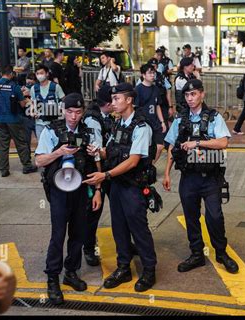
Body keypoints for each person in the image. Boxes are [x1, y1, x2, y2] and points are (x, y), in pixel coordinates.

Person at [82, 83, 158, 293]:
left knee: (138, 229)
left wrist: (105, 174)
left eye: (116, 99)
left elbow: (133, 161)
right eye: (112, 99)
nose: (112, 103)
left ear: (129, 100)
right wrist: (98, 151)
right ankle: (124, 267)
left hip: (133, 186)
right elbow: (112, 152)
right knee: (119, 228)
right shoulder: (118, 124)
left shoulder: (142, 127)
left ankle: (149, 270)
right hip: (117, 186)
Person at [163, 79, 239, 274]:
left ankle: (221, 253)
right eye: (187, 95)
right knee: (191, 217)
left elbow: (223, 143)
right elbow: (172, 145)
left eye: (194, 94)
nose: (190, 98)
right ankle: (196, 254)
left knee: (214, 216)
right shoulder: (180, 119)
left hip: (210, 178)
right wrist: (167, 173)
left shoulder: (213, 117)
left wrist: (197, 144)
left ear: (202, 94)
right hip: (188, 177)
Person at [35, 93, 102, 304]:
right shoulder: (51, 131)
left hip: (81, 188)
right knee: (58, 235)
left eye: (78, 112)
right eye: (70, 112)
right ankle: (52, 278)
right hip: (59, 190)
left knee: (79, 233)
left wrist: (98, 189)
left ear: (83, 113)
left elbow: (97, 161)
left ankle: (71, 272)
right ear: (63, 110)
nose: (73, 117)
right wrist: (59, 152)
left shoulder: (88, 131)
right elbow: (39, 161)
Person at [83, 86, 117, 266]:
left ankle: (125, 243)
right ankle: (88, 248)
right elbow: (95, 151)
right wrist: (99, 180)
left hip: (110, 170)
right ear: (109, 103)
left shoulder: (107, 118)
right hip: (97, 172)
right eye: (115, 99)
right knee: (94, 211)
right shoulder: (93, 120)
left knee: (120, 209)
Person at [0, 65, 38, 177]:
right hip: (13, 119)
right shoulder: (14, 86)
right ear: (11, 74)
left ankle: (3, 170)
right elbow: (22, 104)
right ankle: (27, 166)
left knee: (3, 145)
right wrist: (23, 98)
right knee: (21, 143)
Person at [135, 63, 167, 163]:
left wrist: (162, 122)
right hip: (144, 122)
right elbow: (135, 107)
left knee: (160, 146)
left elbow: (157, 105)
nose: (152, 75)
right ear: (143, 75)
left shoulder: (156, 89)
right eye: (149, 73)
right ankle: (145, 167)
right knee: (146, 147)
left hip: (155, 122)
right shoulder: (138, 89)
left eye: (153, 73)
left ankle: (151, 165)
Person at [30, 64, 65, 139]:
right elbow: (33, 103)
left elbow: (64, 101)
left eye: (41, 73)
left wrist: (60, 111)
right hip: (39, 123)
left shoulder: (55, 87)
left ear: (47, 74)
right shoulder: (34, 88)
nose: (39, 75)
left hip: (54, 123)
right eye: (37, 73)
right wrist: (32, 112)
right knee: (41, 146)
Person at [21, 73, 37, 154]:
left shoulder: (38, 89)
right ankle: (27, 162)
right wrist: (21, 94)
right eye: (28, 79)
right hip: (26, 118)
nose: (29, 82)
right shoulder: (23, 90)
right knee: (25, 142)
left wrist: (30, 95)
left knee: (41, 139)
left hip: (37, 118)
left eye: (31, 80)